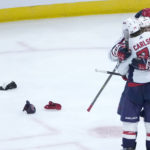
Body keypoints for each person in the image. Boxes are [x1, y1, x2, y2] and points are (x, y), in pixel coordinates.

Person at [110, 17, 150, 150]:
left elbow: (122, 70)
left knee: (129, 124)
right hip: (140, 88)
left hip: (134, 89)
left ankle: (128, 147)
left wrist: (123, 58)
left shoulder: (130, 43)